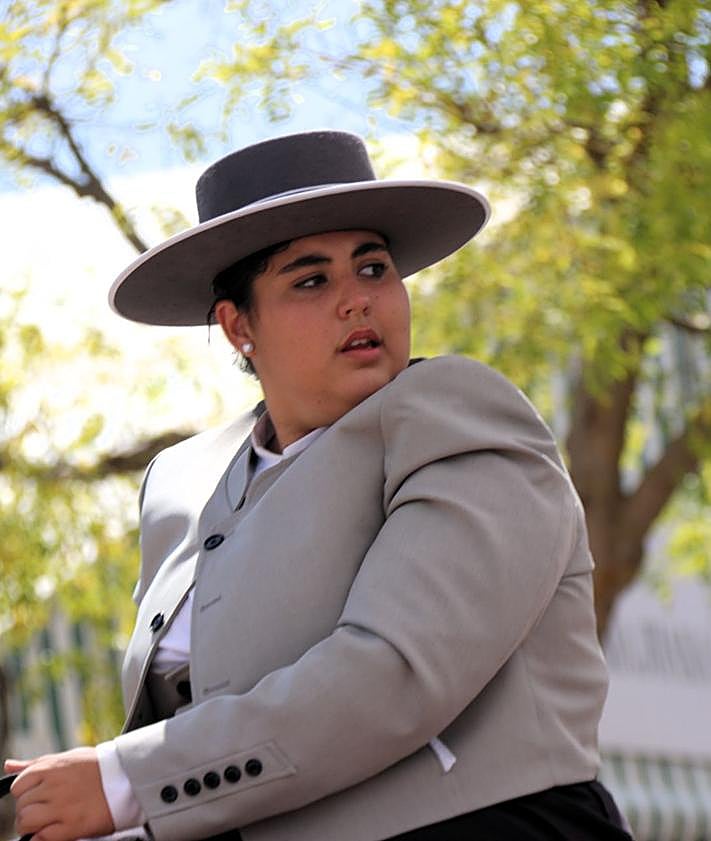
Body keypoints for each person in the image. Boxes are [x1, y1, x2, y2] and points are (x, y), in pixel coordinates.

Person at [4, 130, 633, 841]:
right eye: (311, 280)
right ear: (238, 325)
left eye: (373, 268)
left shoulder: (456, 412)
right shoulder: (182, 480)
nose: (356, 300)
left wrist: (122, 778)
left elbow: (393, 671)